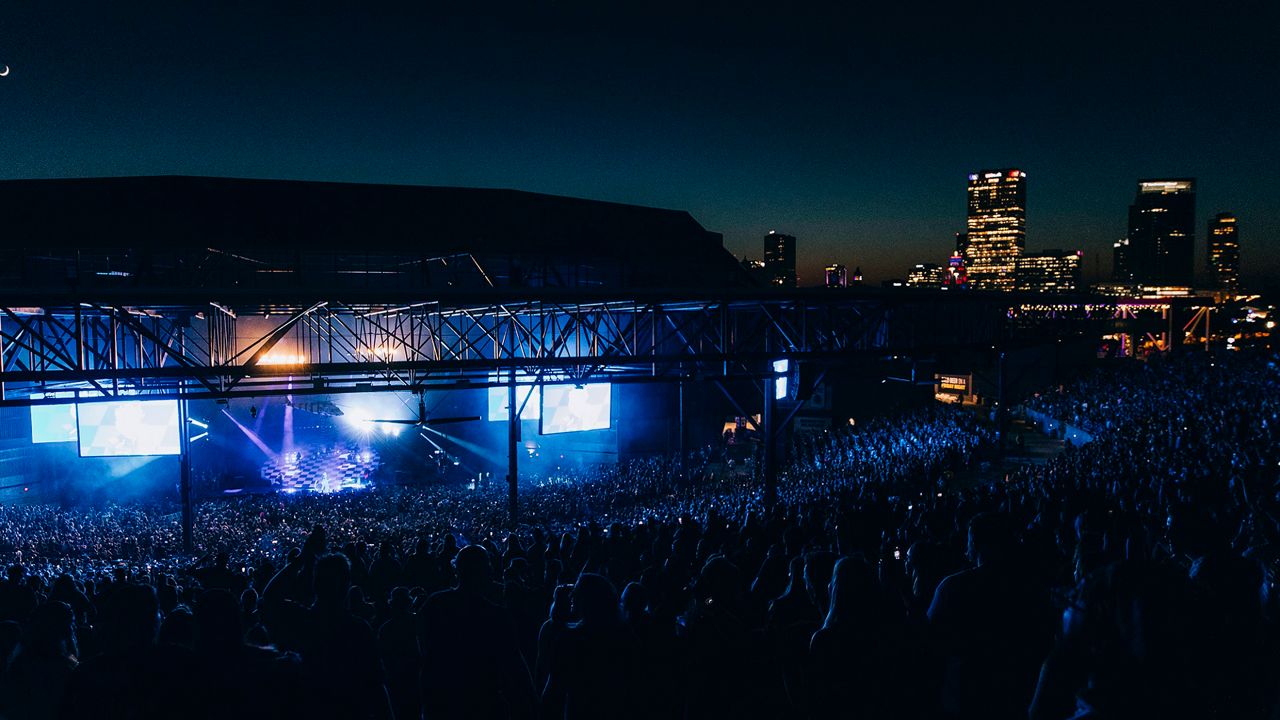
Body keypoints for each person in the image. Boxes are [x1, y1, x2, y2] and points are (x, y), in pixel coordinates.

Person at [418, 544, 536, 719]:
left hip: (441, 702)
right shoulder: (496, 616)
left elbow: (424, 650)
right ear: (484, 571)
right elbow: (514, 665)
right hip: (483, 704)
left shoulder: (435, 603)